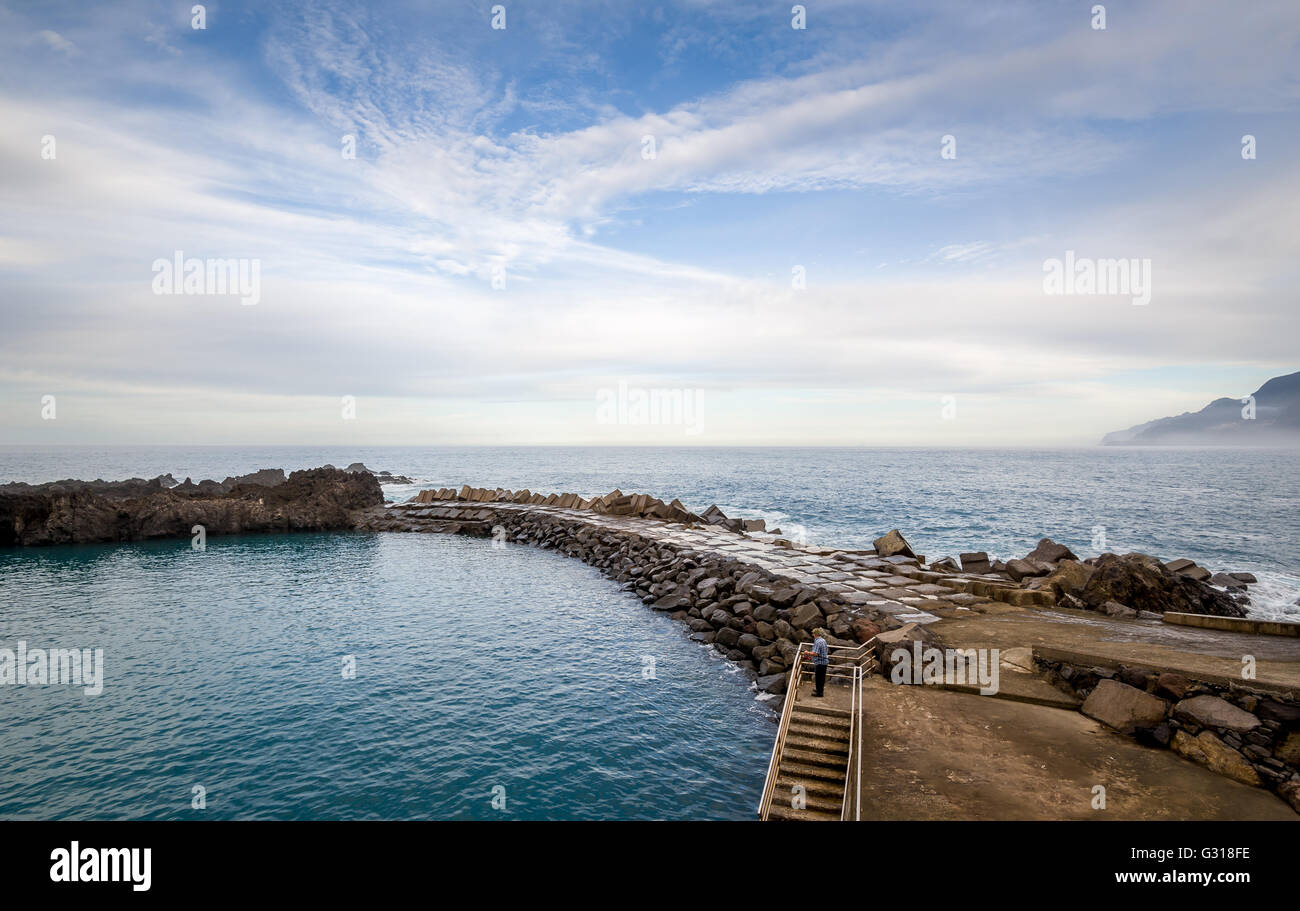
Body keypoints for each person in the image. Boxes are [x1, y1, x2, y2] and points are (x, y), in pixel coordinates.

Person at [803, 628, 829, 697]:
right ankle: (819, 690)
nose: (812, 635)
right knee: (821, 678)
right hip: (824, 662)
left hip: (820, 663)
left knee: (818, 678)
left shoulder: (818, 642)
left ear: (815, 634)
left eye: (813, 633)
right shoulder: (823, 640)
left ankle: (819, 693)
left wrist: (807, 652)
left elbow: (816, 653)